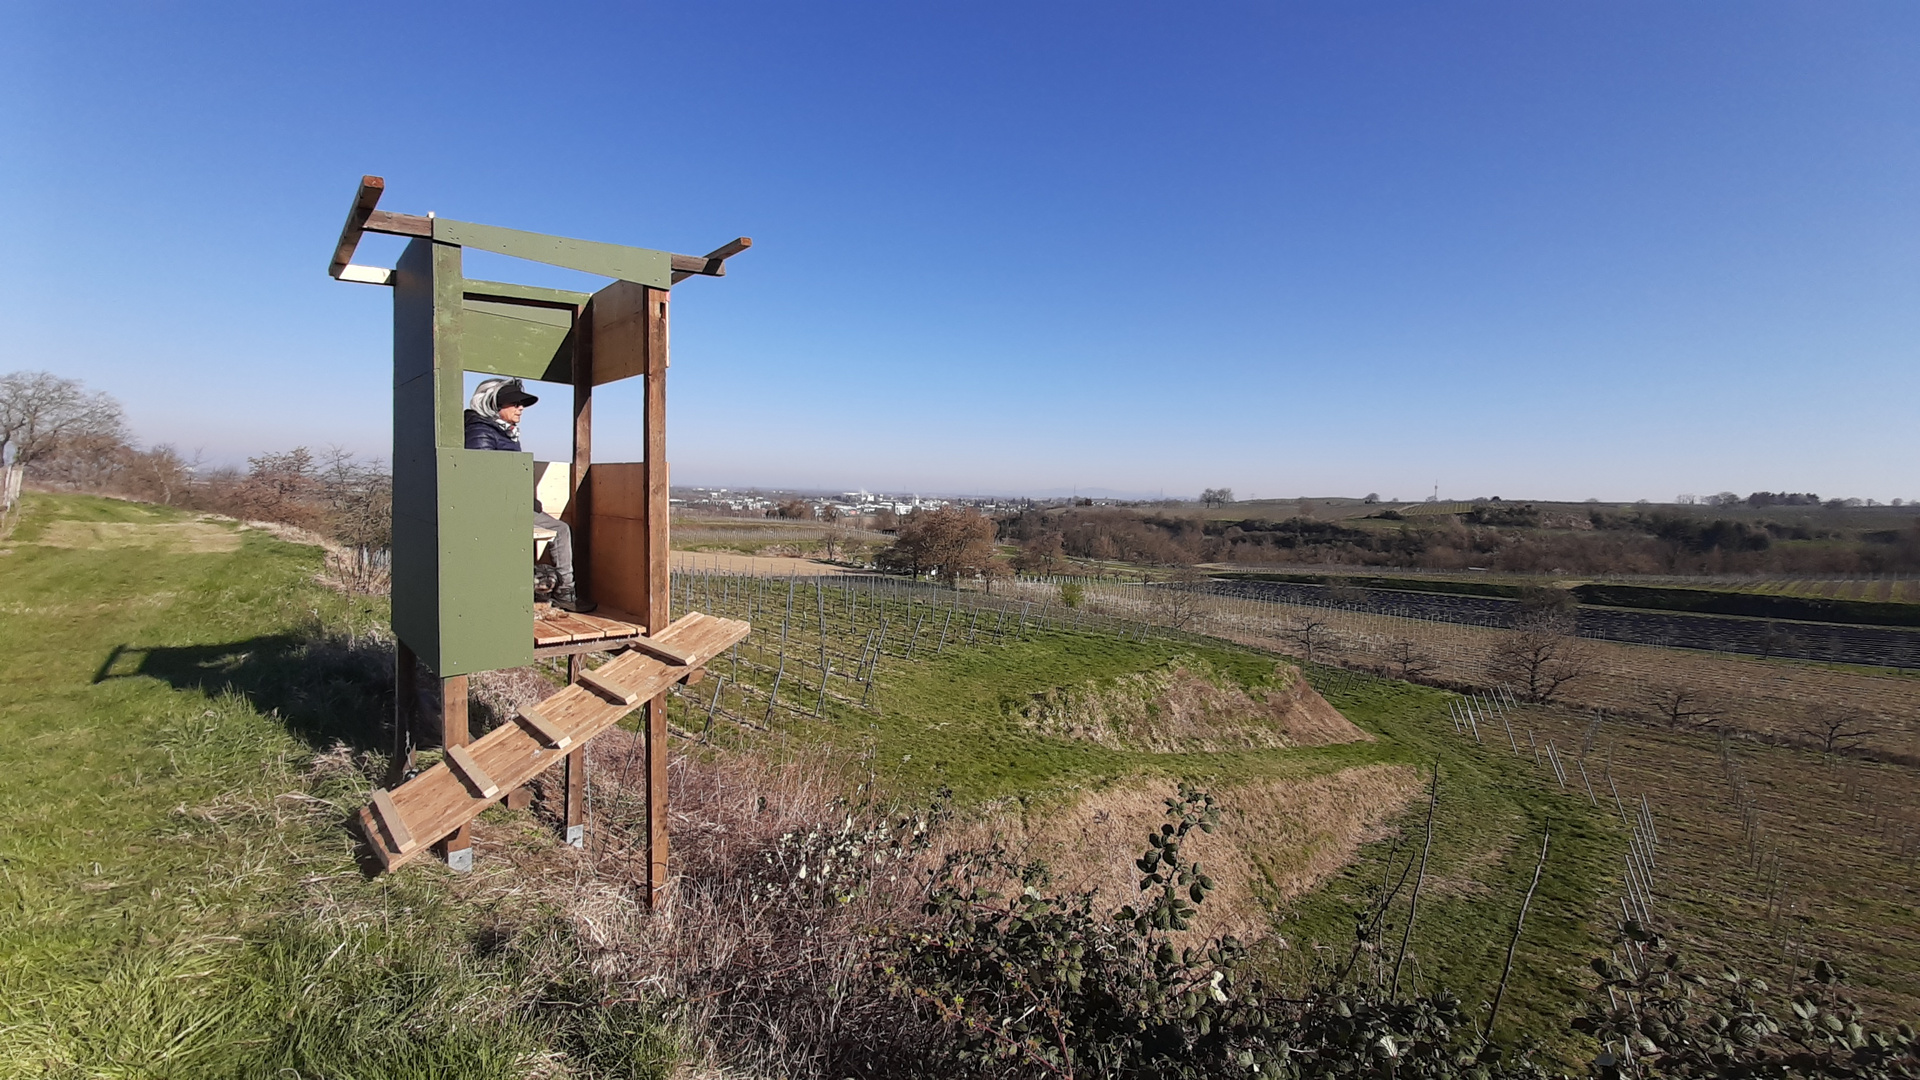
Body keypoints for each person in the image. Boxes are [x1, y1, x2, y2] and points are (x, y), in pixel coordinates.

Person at [464, 377, 596, 613]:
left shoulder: (503, 432)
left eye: (521, 403)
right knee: (556, 531)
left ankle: (564, 591)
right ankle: (559, 592)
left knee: (561, 529)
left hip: (515, 506)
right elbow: (481, 479)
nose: (520, 408)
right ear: (494, 404)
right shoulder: (480, 432)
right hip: (497, 511)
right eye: (513, 403)